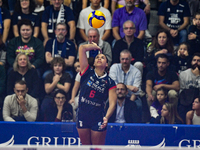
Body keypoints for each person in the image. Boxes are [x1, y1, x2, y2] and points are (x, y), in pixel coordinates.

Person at [77, 43, 117, 145]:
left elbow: (112, 103)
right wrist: (94, 47)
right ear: (94, 63)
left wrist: (106, 118)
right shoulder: (86, 72)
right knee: (86, 147)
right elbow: (82, 48)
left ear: (107, 64)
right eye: (97, 57)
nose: (99, 59)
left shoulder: (110, 82)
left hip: (98, 117)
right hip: (83, 115)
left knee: (97, 147)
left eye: (102, 58)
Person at [109, 50, 142, 115]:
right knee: (107, 103)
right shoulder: (114, 68)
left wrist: (129, 103)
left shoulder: (136, 72)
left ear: (131, 59)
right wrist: (129, 87)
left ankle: (136, 125)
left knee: (138, 105)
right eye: (123, 59)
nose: (124, 61)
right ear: (120, 59)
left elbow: (136, 90)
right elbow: (112, 85)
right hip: (116, 96)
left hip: (130, 97)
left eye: (127, 59)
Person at [178, 53, 200, 123]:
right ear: (191, 62)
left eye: (198, 61)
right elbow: (182, 90)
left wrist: (198, 76)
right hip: (186, 99)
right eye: (194, 60)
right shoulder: (183, 74)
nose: (196, 62)